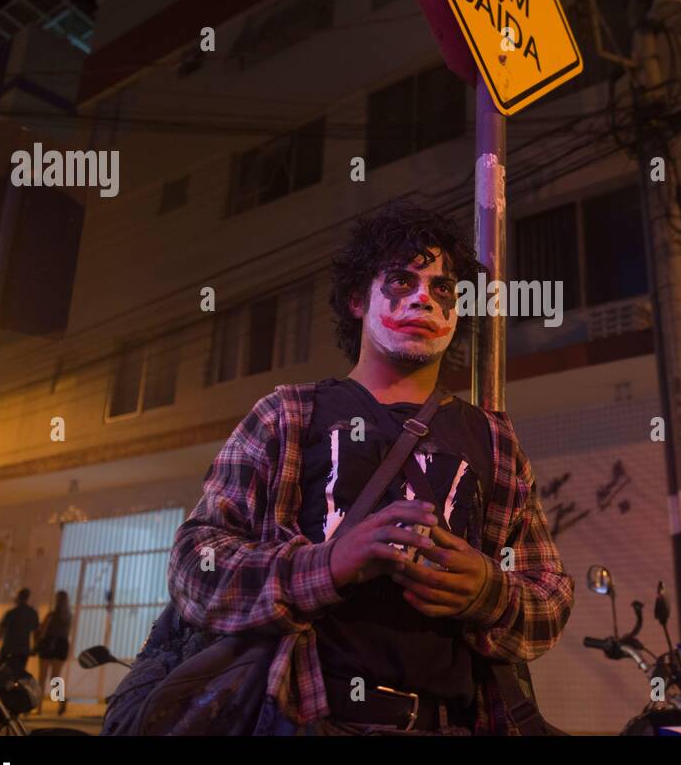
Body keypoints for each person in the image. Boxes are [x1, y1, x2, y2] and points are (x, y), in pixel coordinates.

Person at [167, 200, 574, 734]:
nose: (424, 298)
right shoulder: (288, 415)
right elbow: (195, 567)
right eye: (402, 281)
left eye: (443, 288)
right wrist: (327, 568)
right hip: (311, 717)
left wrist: (487, 592)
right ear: (358, 299)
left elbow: (551, 596)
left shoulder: (494, 441)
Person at [34, 590, 72, 715]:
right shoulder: (68, 617)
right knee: (55, 678)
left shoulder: (51, 616)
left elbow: (42, 632)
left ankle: (39, 708)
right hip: (61, 646)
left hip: (48, 646)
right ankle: (61, 701)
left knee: (42, 678)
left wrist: (36, 642)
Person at [0, 588, 40, 675]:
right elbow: (36, 633)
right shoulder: (32, 613)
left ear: (18, 597)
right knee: (17, 675)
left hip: (8, 649)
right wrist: (35, 648)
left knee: (0, 674)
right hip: (23, 650)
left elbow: (0, 631)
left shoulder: (11, 613)